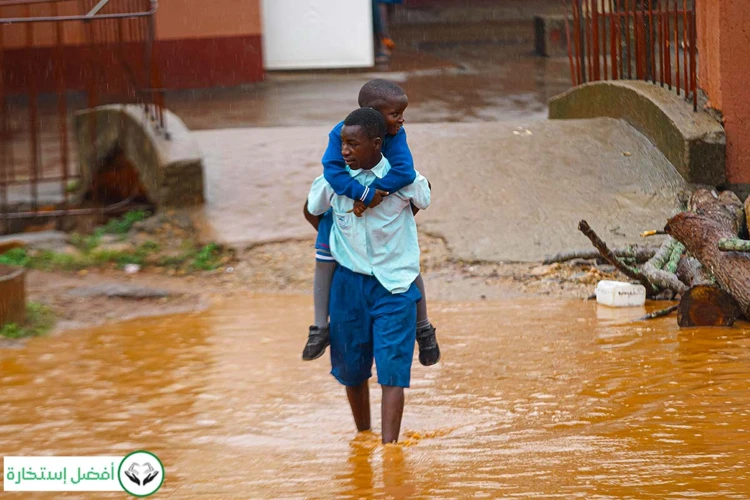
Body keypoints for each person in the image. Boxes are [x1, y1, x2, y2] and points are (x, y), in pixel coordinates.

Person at [305, 107, 431, 443]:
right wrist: (335, 239)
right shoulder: (333, 183)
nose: (343, 151)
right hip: (348, 286)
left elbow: (424, 195)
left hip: (394, 287)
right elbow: (311, 209)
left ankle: (390, 451)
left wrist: (400, 228)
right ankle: (363, 438)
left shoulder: (403, 179)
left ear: (377, 144)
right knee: (352, 369)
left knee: (394, 372)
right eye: (342, 143)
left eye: (352, 145)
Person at [302, 79, 440, 368]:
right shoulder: (340, 134)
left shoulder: (396, 135)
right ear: (373, 113)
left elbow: (404, 171)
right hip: (341, 210)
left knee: (403, 259)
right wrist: (359, 199)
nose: (402, 119)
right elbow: (332, 171)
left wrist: (379, 193)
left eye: (402, 112)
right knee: (324, 259)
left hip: (376, 204)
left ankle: (423, 327)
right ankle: (319, 327)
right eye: (395, 113)